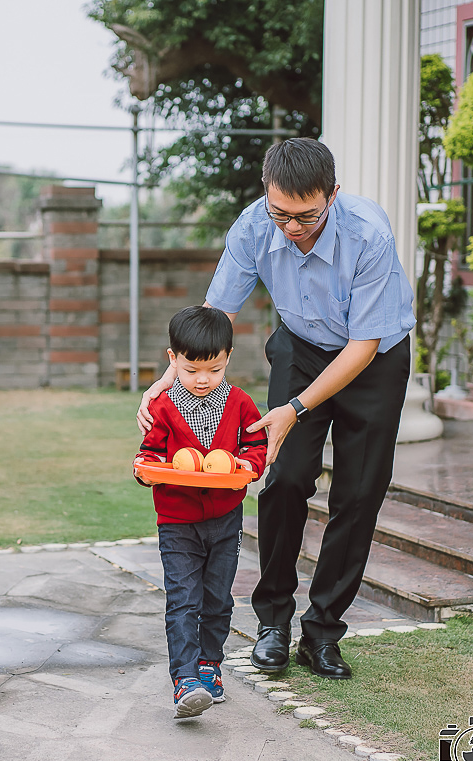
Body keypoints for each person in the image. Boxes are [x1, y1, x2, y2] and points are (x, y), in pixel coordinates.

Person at [138, 138, 414, 681]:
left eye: (306, 216)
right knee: (283, 478)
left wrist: (295, 408)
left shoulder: (369, 234)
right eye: (280, 213)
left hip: (373, 357)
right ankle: (273, 624)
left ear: (332, 195)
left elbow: (362, 346)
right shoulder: (252, 226)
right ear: (267, 194)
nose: (291, 227)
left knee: (359, 494)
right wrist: (167, 382)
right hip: (301, 347)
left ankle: (324, 631)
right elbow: (215, 314)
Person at [133, 306, 268, 718]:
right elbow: (150, 455)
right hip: (177, 523)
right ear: (172, 359)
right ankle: (185, 679)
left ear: (228, 357)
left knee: (217, 599)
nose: (203, 379)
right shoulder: (164, 407)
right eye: (192, 370)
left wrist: (247, 465)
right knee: (183, 600)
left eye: (214, 369)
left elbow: (255, 448)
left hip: (226, 520)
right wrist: (146, 472)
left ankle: (210, 664)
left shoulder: (240, 403)